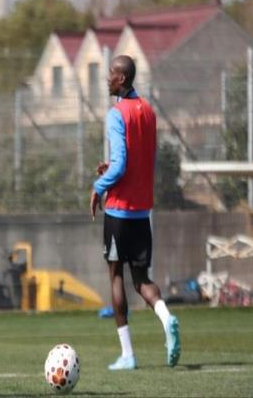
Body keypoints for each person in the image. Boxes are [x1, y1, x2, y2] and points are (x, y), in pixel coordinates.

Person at [90, 55, 180, 371]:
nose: (107, 78)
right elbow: (142, 162)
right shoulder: (149, 112)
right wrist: (114, 169)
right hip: (142, 213)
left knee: (116, 276)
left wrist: (98, 186)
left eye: (111, 74)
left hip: (118, 212)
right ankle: (166, 317)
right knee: (142, 280)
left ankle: (128, 354)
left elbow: (121, 166)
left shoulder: (116, 114)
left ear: (122, 79)